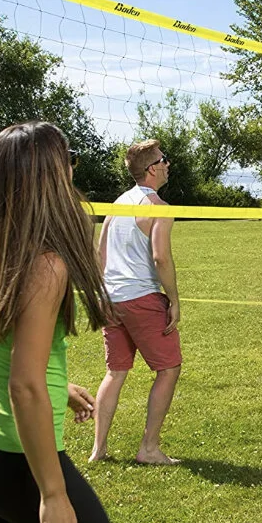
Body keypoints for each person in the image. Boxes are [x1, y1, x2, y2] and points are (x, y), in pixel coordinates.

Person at [0, 121, 122, 523]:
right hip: (13, 459)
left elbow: (7, 351)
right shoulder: (45, 265)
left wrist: (56, 385)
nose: (72, 171)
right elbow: (24, 387)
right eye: (68, 160)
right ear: (48, 175)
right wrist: (52, 493)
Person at [89, 139, 182, 465]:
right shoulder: (159, 207)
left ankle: (98, 451)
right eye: (164, 159)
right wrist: (173, 299)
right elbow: (160, 258)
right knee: (169, 369)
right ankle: (149, 448)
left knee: (115, 372)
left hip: (111, 299)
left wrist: (102, 296)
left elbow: (99, 255)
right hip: (140, 298)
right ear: (153, 168)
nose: (168, 164)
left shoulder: (118, 204)